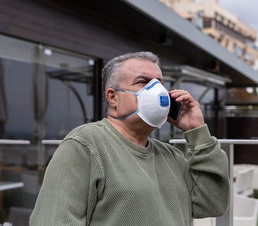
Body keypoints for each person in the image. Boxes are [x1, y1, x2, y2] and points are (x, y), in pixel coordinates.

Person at [30, 51, 230, 226]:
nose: (157, 90)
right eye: (143, 82)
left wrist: (197, 132)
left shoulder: (171, 155)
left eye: (160, 83)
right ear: (113, 97)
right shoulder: (84, 145)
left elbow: (212, 204)